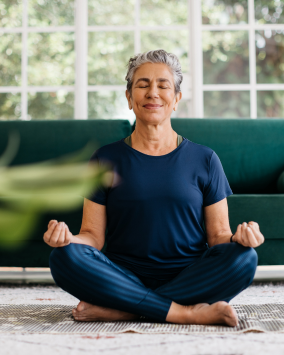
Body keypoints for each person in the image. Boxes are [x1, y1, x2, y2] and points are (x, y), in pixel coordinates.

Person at [43, 49, 264, 327]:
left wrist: (239, 239)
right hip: (121, 276)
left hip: (189, 275)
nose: (153, 93)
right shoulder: (105, 158)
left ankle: (127, 309)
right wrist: (67, 240)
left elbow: (219, 236)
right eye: (143, 85)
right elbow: (92, 237)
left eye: (163, 85)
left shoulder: (205, 159)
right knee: (63, 257)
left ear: (176, 99)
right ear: (129, 97)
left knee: (245, 258)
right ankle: (184, 313)